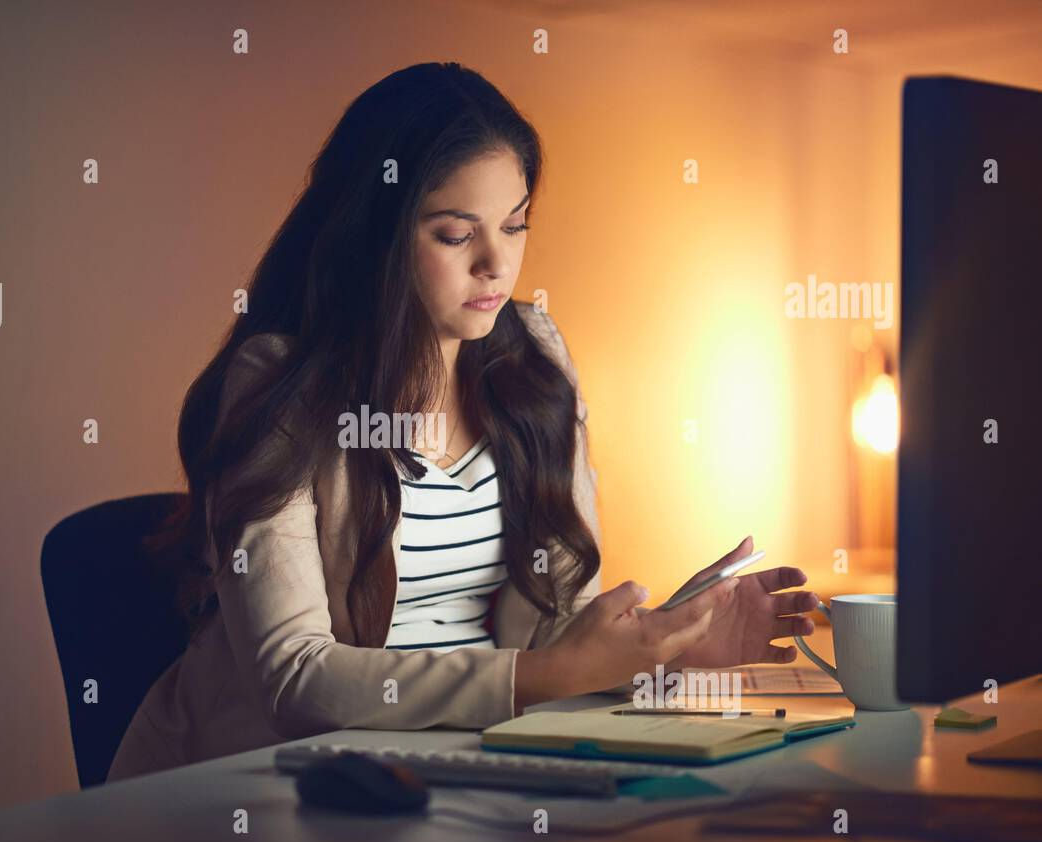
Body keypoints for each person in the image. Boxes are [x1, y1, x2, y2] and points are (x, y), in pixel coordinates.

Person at [106, 62, 816, 782]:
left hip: (466, 763)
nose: (496, 264)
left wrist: (664, 643)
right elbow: (295, 680)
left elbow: (551, 631)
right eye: (455, 234)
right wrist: (539, 677)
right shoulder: (282, 385)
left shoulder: (535, 359)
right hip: (271, 783)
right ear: (376, 233)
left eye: (515, 226)